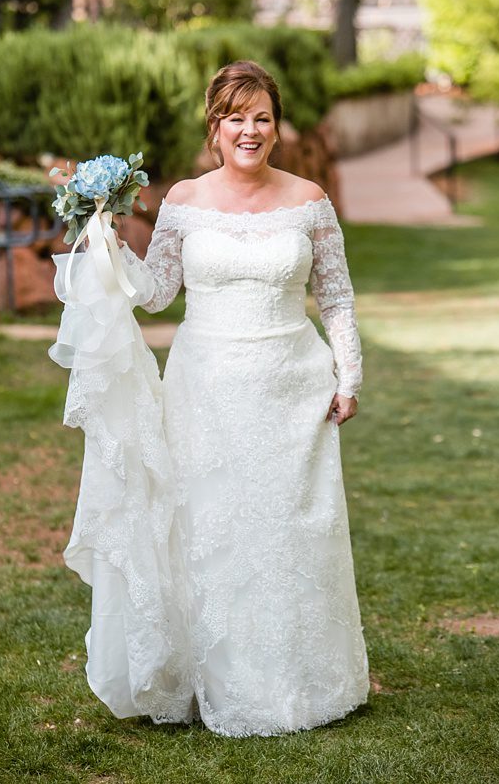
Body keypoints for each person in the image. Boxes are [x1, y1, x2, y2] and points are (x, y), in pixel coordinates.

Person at [58, 60, 370, 737]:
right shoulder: (185, 199)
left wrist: (349, 374)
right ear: (215, 126)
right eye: (236, 116)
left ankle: (295, 681)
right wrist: (106, 240)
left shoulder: (309, 198)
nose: (249, 130)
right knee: (210, 532)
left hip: (292, 384)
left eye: (261, 116)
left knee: (289, 533)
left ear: (277, 127)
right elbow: (157, 291)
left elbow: (336, 295)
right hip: (204, 386)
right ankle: (212, 676)